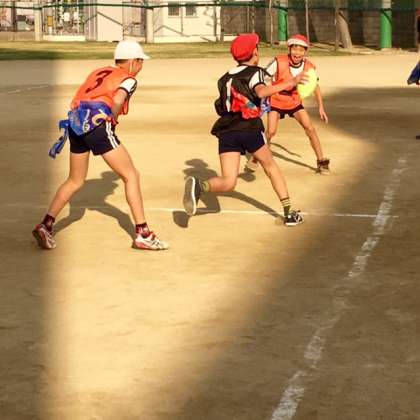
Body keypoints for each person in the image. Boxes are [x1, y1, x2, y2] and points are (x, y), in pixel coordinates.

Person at [32, 39, 169, 251]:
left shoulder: (98, 72)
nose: (141, 66)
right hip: (98, 124)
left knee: (75, 180)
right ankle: (143, 233)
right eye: (140, 61)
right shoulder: (128, 79)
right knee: (131, 175)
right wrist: (112, 118)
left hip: (76, 124)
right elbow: (118, 99)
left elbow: (79, 97)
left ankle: (46, 224)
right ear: (132, 61)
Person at [183, 33, 305, 226]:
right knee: (270, 166)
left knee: (228, 181)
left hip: (226, 130)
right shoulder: (256, 72)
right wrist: (290, 83)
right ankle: (289, 213)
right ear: (254, 53)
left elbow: (220, 106)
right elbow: (261, 92)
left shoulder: (224, 79)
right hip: (249, 127)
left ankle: (200, 186)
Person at [245, 34, 330, 174]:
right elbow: (263, 77)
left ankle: (321, 161)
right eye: (294, 49)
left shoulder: (309, 67)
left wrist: (321, 107)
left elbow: (315, 86)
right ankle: (257, 157)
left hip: (294, 101)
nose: (297, 53)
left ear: (305, 51)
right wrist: (260, 97)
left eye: (301, 50)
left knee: (310, 128)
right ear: (289, 49)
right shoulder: (278, 62)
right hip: (276, 99)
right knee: (271, 132)